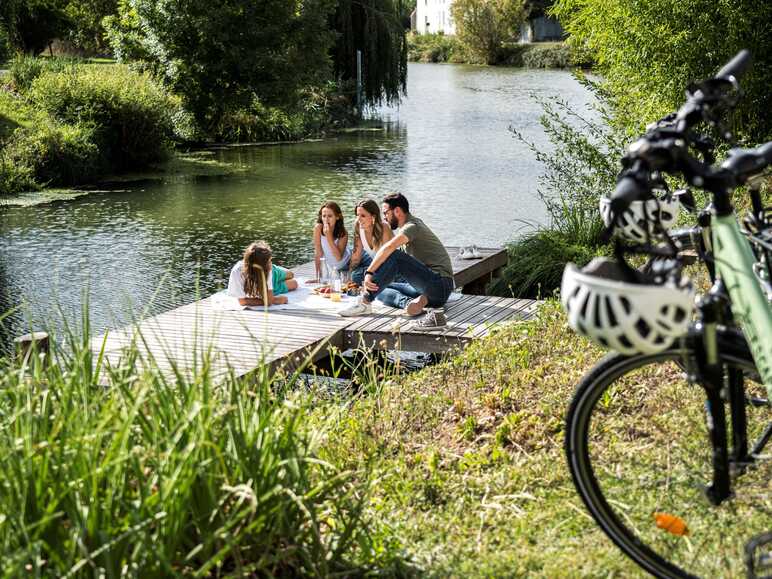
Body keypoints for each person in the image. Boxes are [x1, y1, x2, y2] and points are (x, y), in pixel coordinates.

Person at [339, 193, 454, 327]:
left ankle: (365, 302)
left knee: (393, 255)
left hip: (439, 284)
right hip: (433, 290)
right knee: (380, 288)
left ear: (397, 211)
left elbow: (389, 248)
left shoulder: (412, 226)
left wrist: (369, 273)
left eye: (386, 213)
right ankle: (420, 302)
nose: (385, 218)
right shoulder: (409, 227)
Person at [227, 241, 298, 306]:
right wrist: (274, 300)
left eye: (270, 260)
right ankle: (276, 284)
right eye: (269, 261)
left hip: (274, 272)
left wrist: (270, 300)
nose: (270, 263)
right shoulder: (237, 272)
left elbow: (268, 301)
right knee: (293, 283)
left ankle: (279, 272)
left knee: (291, 275)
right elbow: (243, 302)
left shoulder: (269, 268)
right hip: (265, 280)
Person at [349, 198, 393, 285]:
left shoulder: (384, 228)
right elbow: (356, 257)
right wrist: (348, 278)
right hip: (377, 268)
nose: (359, 219)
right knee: (355, 275)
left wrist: (369, 273)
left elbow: (386, 258)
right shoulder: (358, 226)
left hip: (392, 267)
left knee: (368, 276)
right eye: (357, 215)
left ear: (373, 216)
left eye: (363, 216)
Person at [311, 201, 351, 281]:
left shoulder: (343, 232)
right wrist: (318, 277)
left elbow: (338, 258)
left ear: (337, 217)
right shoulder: (318, 228)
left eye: (330, 216)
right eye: (324, 216)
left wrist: (328, 236)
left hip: (347, 265)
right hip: (333, 268)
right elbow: (318, 253)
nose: (326, 219)